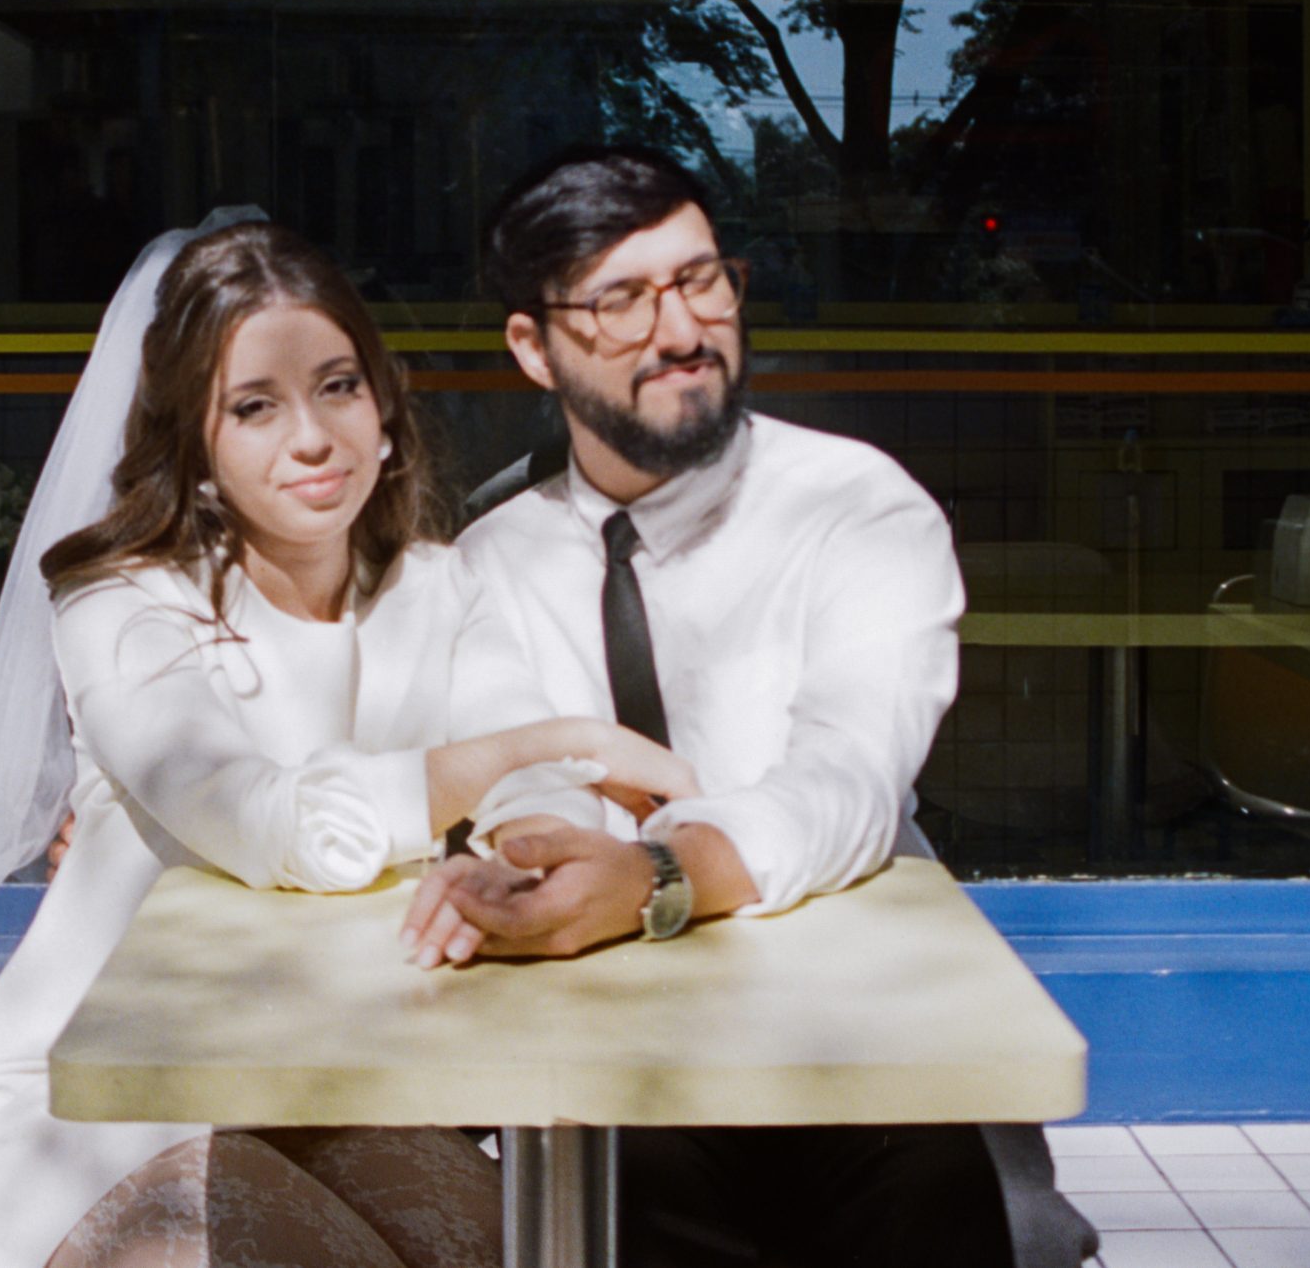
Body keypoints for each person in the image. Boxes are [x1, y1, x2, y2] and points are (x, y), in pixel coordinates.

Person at [0, 216, 694, 1268]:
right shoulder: (123, 610)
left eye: (337, 387)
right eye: (255, 406)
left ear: (385, 410)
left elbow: (540, 794)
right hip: (88, 1091)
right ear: (197, 444)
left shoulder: (441, 589)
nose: (311, 437)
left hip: (324, 1077)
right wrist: (565, 739)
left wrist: (532, 842)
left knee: (523, 1251)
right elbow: (288, 828)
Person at [401, 146, 1079, 1267]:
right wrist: (527, 859)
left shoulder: (854, 508)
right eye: (621, 300)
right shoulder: (490, 559)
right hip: (621, 1065)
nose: (680, 329)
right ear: (533, 346)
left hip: (858, 1044)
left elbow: (848, 778)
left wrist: (655, 875)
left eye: (700, 279)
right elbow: (525, 781)